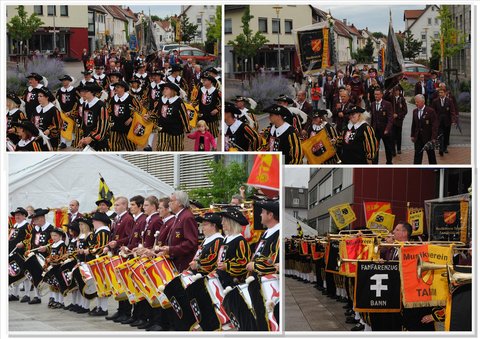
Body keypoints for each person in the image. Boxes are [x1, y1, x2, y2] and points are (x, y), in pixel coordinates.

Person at [158, 191, 198, 272]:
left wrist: (171, 249)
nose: (169, 203)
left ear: (179, 203)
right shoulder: (179, 216)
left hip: (183, 263)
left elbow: (191, 242)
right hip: (176, 262)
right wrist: (166, 249)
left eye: (171, 201)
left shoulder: (187, 217)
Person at [24, 208, 55, 304]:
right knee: (35, 275)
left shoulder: (51, 228)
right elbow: (31, 242)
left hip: (47, 256)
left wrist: (46, 249)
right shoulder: (34, 230)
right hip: (36, 256)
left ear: (42, 218)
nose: (34, 222)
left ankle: (52, 297)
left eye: (36, 219)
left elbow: (54, 243)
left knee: (49, 276)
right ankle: (37, 296)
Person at [84, 212, 111, 316]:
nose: (92, 223)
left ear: (98, 221)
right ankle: (100, 306)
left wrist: (89, 251)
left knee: (102, 285)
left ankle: (103, 308)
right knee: (98, 285)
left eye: (94, 221)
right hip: (96, 262)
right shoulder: (99, 232)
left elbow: (100, 248)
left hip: (100, 262)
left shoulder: (103, 232)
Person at [216, 208, 251, 288]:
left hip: (233, 283)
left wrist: (227, 266)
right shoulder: (226, 238)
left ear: (231, 222)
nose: (222, 223)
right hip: (222, 279)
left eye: (225, 220)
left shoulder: (240, 240)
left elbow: (243, 263)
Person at [150, 82, 190, 151]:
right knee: (161, 148)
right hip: (163, 128)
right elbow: (155, 112)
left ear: (172, 91)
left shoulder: (178, 101)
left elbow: (184, 116)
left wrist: (187, 129)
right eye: (164, 89)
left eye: (166, 89)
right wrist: (148, 117)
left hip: (175, 130)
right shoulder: (161, 100)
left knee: (176, 148)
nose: (164, 90)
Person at [246, 200, 280, 276]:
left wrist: (255, 265)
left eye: (263, 212)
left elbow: (274, 261)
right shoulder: (267, 232)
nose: (260, 215)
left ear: (270, 215)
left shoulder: (279, 233)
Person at [107, 80, 142, 151]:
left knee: (130, 146)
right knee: (114, 145)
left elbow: (139, 109)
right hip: (115, 126)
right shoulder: (112, 99)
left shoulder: (131, 98)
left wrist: (131, 118)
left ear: (123, 88)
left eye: (118, 87)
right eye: (115, 87)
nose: (115, 89)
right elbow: (109, 111)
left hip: (127, 127)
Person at [77, 82, 109, 151]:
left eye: (86, 91)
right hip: (87, 142)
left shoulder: (100, 105)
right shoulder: (84, 105)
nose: (83, 93)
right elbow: (84, 124)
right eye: (82, 91)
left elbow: (103, 126)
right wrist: (83, 139)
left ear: (92, 92)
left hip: (99, 144)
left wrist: (91, 138)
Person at [9, 207, 31, 301]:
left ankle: (27, 294)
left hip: (21, 254)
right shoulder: (14, 225)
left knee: (24, 274)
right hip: (11, 253)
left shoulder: (27, 225)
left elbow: (31, 238)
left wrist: (23, 243)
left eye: (19, 215)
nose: (16, 216)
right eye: (15, 215)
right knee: (13, 273)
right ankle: (14, 294)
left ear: (24, 216)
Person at [192, 72, 221, 139]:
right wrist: (191, 105)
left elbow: (220, 103)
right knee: (201, 132)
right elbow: (196, 100)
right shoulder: (201, 90)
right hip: (202, 114)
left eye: (205, 80)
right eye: (203, 80)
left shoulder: (216, 91)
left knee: (213, 132)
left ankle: (214, 147)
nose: (203, 81)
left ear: (210, 81)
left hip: (212, 116)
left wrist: (217, 109)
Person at [411, 94, 438, 164]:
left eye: (417, 102)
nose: (416, 104)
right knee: (417, 154)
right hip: (418, 138)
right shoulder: (414, 111)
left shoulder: (430, 111)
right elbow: (414, 124)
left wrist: (433, 138)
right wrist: (412, 135)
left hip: (428, 137)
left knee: (431, 155)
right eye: (415, 102)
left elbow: (434, 125)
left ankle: (434, 168)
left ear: (423, 102)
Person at [431, 87, 457, 156]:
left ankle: (445, 148)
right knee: (440, 135)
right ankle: (441, 149)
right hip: (438, 121)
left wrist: (453, 120)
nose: (440, 94)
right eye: (439, 92)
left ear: (445, 93)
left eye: (442, 92)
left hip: (447, 121)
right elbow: (433, 112)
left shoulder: (449, 101)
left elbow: (452, 111)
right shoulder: (435, 101)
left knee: (446, 135)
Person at [371, 88, 394, 164]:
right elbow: (372, 118)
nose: (376, 96)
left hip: (385, 131)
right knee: (375, 148)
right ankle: (375, 163)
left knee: (388, 148)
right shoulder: (373, 104)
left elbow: (390, 118)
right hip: (376, 130)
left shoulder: (387, 104)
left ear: (381, 95)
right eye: (375, 94)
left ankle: (389, 162)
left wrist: (387, 129)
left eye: (377, 94)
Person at [56, 74, 78, 149]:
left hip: (72, 112)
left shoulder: (74, 90)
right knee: (63, 126)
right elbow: (56, 101)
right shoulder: (59, 91)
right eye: (63, 81)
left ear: (69, 81)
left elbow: (78, 101)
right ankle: (63, 142)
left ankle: (74, 140)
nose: (64, 82)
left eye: (65, 80)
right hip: (63, 112)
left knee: (73, 126)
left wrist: (72, 111)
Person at [387, 85, 408, 156]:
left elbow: (405, 110)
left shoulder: (402, 99)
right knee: (392, 136)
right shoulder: (390, 98)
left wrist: (398, 115)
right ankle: (393, 150)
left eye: (397, 90)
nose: (396, 92)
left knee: (399, 135)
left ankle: (399, 149)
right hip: (392, 121)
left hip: (399, 121)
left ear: (399, 91)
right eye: (394, 91)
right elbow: (384, 99)